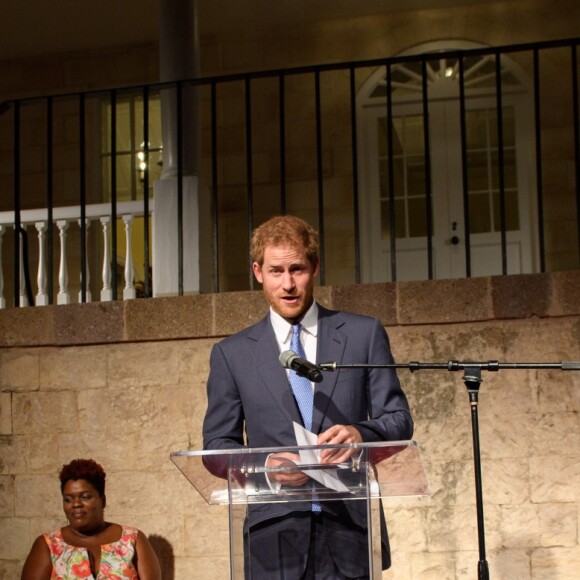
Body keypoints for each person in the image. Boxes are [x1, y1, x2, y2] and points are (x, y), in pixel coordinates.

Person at [202, 215, 414, 579]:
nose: (287, 284)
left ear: (315, 267)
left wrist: (360, 434)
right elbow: (217, 446)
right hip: (273, 537)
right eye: (276, 271)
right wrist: (265, 466)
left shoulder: (362, 334)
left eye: (297, 269)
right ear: (258, 272)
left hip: (349, 532)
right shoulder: (232, 354)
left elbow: (398, 419)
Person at [21, 458, 161, 580]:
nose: (76, 504)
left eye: (85, 497)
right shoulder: (48, 545)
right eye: (68, 499)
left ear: (103, 500)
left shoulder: (132, 540)